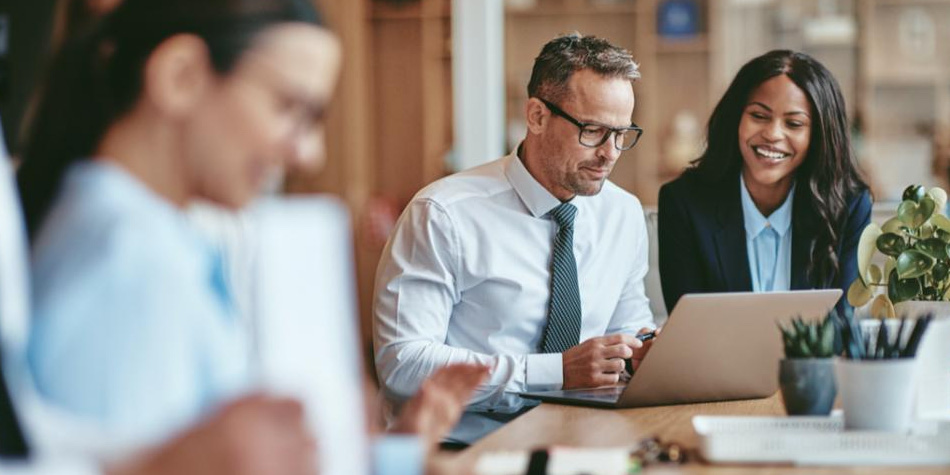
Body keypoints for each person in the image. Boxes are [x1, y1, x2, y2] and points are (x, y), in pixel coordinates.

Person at [15, 0, 487, 461]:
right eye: (288, 108)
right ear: (181, 77)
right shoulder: (128, 260)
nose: (310, 154)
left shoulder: (155, 235)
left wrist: (394, 449)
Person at [374, 32, 658, 445]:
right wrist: (554, 372)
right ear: (537, 116)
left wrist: (646, 350)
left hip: (583, 442)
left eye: (622, 134)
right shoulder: (443, 214)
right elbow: (403, 364)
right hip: (460, 449)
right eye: (593, 131)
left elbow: (629, 324)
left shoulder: (623, 212)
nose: (611, 152)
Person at [658, 50, 871, 314]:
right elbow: (688, 325)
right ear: (736, 118)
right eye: (759, 116)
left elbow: (841, 327)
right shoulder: (684, 203)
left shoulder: (848, 206)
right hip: (720, 357)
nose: (772, 134)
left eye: (793, 123)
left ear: (818, 136)